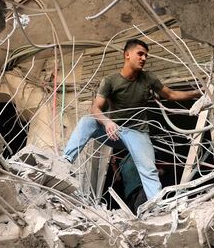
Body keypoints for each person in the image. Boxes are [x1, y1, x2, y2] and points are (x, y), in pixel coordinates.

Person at [62, 38, 200, 201]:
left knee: (149, 171)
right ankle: (64, 164)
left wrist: (197, 93)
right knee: (87, 122)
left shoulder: (148, 78)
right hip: (115, 132)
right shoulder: (110, 81)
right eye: (140, 54)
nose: (144, 58)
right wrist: (107, 122)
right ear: (127, 55)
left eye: (146, 56)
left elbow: (169, 94)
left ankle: (157, 206)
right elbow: (95, 108)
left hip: (138, 133)